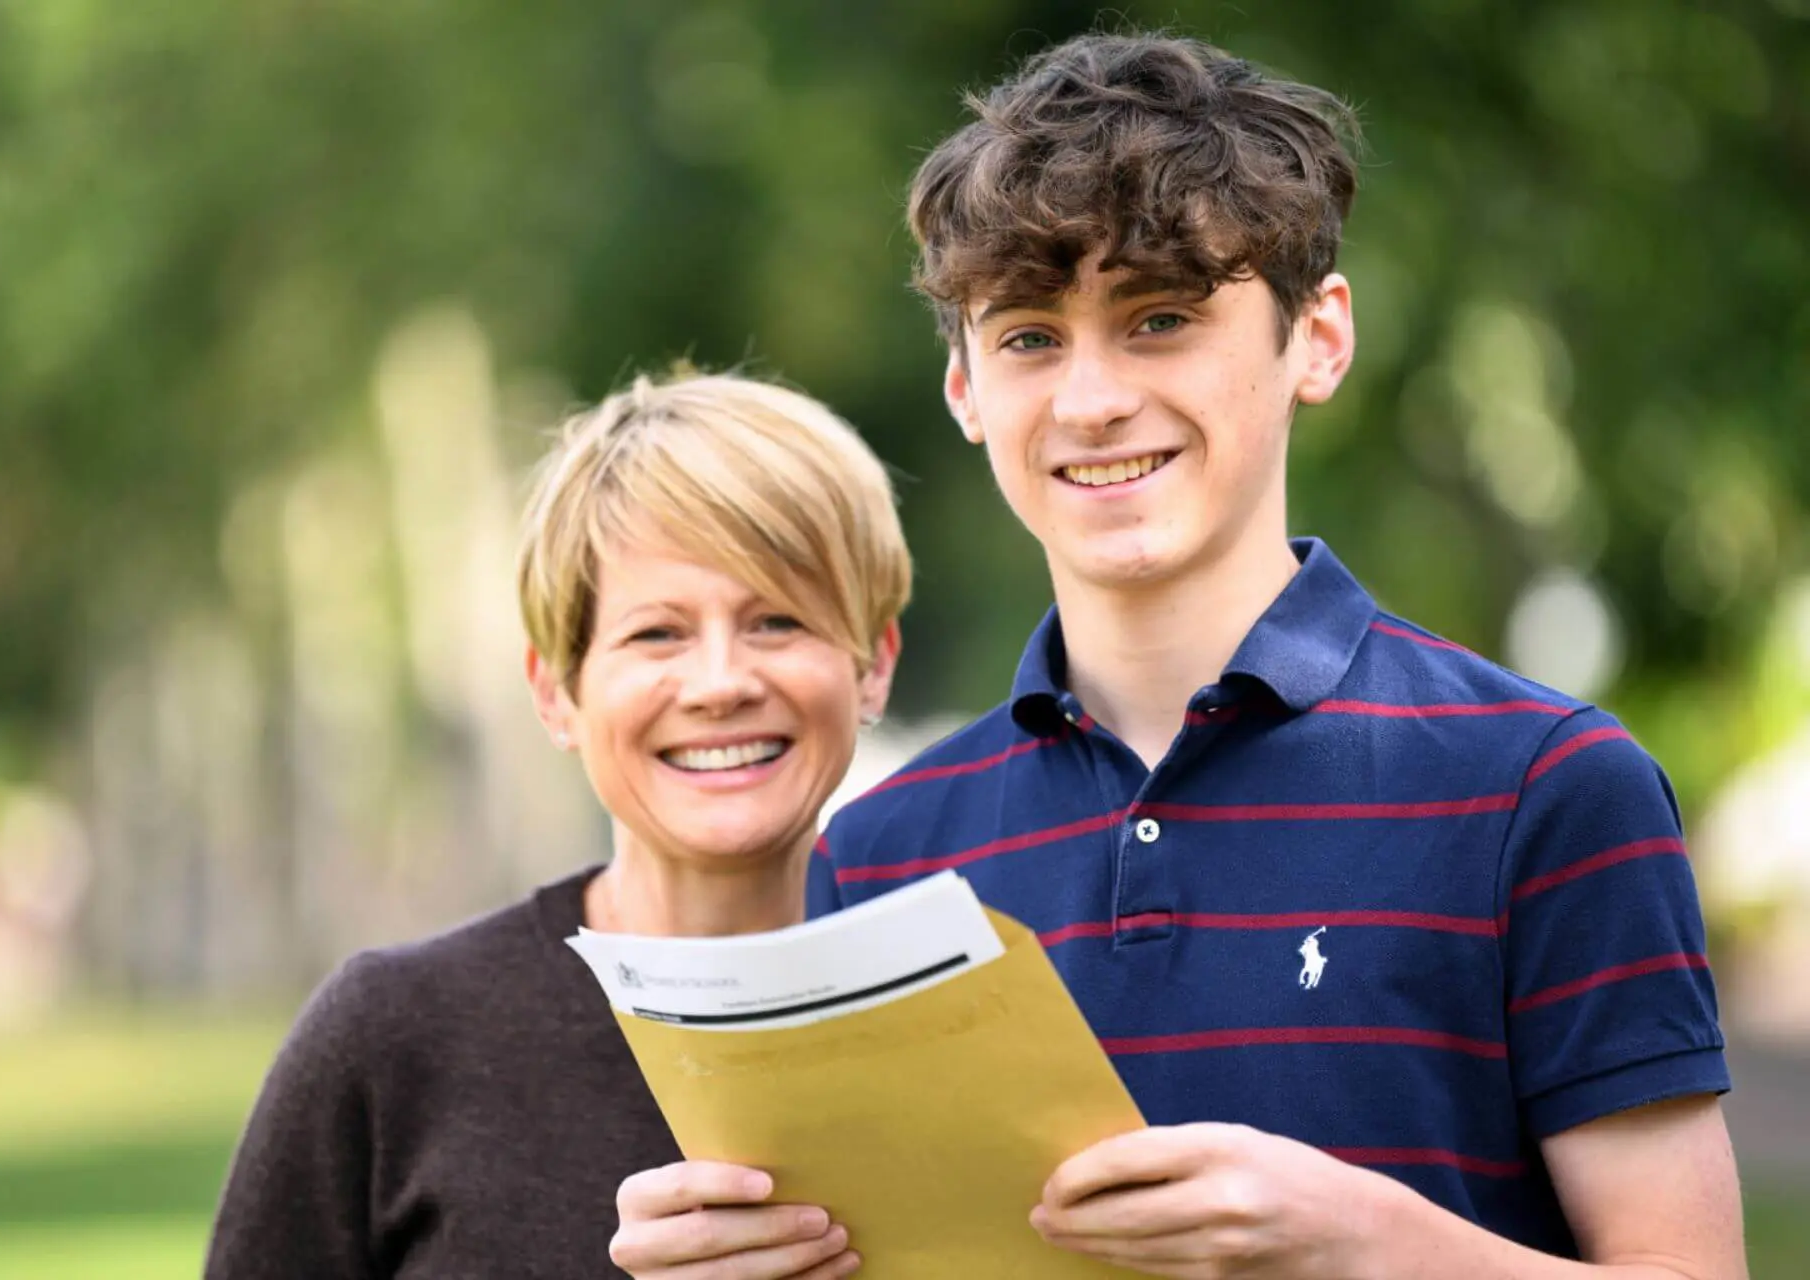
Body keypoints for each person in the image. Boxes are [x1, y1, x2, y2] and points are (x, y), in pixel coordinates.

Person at [608, 32, 1747, 1280]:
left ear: (1316, 338)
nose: (1091, 398)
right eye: (1032, 336)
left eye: (1160, 317)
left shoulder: (1549, 785)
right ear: (964, 389)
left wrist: (1364, 1239)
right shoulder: (883, 851)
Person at [203, 368, 909, 1279]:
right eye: (656, 634)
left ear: (873, 665)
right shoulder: (394, 1038)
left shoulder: (986, 1011)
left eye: (777, 621)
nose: (721, 682)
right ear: (556, 693)